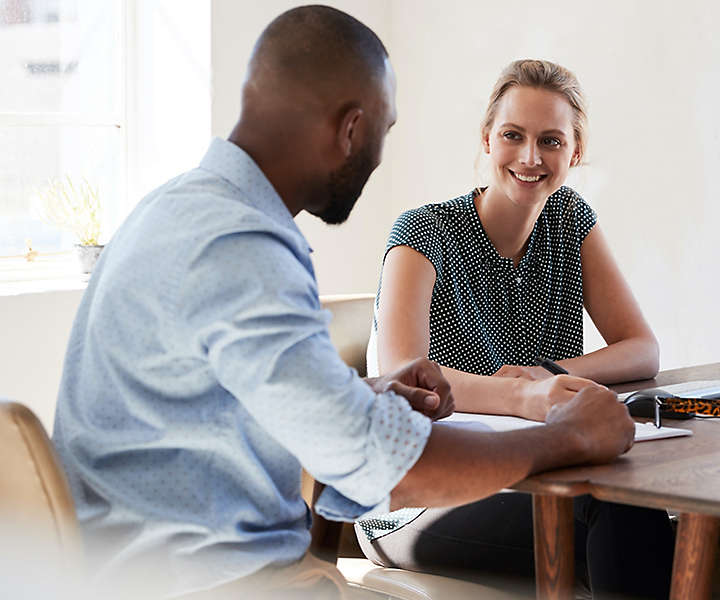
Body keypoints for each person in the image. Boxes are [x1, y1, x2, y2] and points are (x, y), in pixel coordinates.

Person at [52, 9, 635, 600]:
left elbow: (224, 410)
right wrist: (564, 437)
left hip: (167, 565)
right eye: (384, 130)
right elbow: (391, 467)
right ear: (350, 129)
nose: (379, 157)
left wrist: (359, 396)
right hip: (208, 583)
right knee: (625, 517)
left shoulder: (183, 209)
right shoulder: (241, 247)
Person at [360, 59, 674, 599]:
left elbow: (642, 349)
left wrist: (551, 373)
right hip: (416, 501)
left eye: (551, 141)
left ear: (574, 153)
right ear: (487, 139)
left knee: (686, 531)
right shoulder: (421, 234)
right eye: (513, 135)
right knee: (623, 518)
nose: (531, 157)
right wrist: (523, 396)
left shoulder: (571, 221)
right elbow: (400, 378)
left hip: (537, 473)